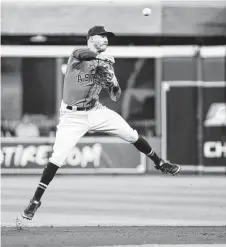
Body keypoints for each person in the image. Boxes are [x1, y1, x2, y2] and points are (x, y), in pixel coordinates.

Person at [20, 26, 180, 221]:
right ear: (91, 38)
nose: (105, 39)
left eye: (107, 37)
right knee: (58, 156)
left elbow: (115, 96)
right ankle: (35, 201)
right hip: (72, 117)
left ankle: (160, 163)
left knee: (131, 134)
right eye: (102, 36)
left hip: (96, 111)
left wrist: (112, 83)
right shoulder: (77, 56)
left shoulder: (106, 65)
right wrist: (102, 59)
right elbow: (84, 53)